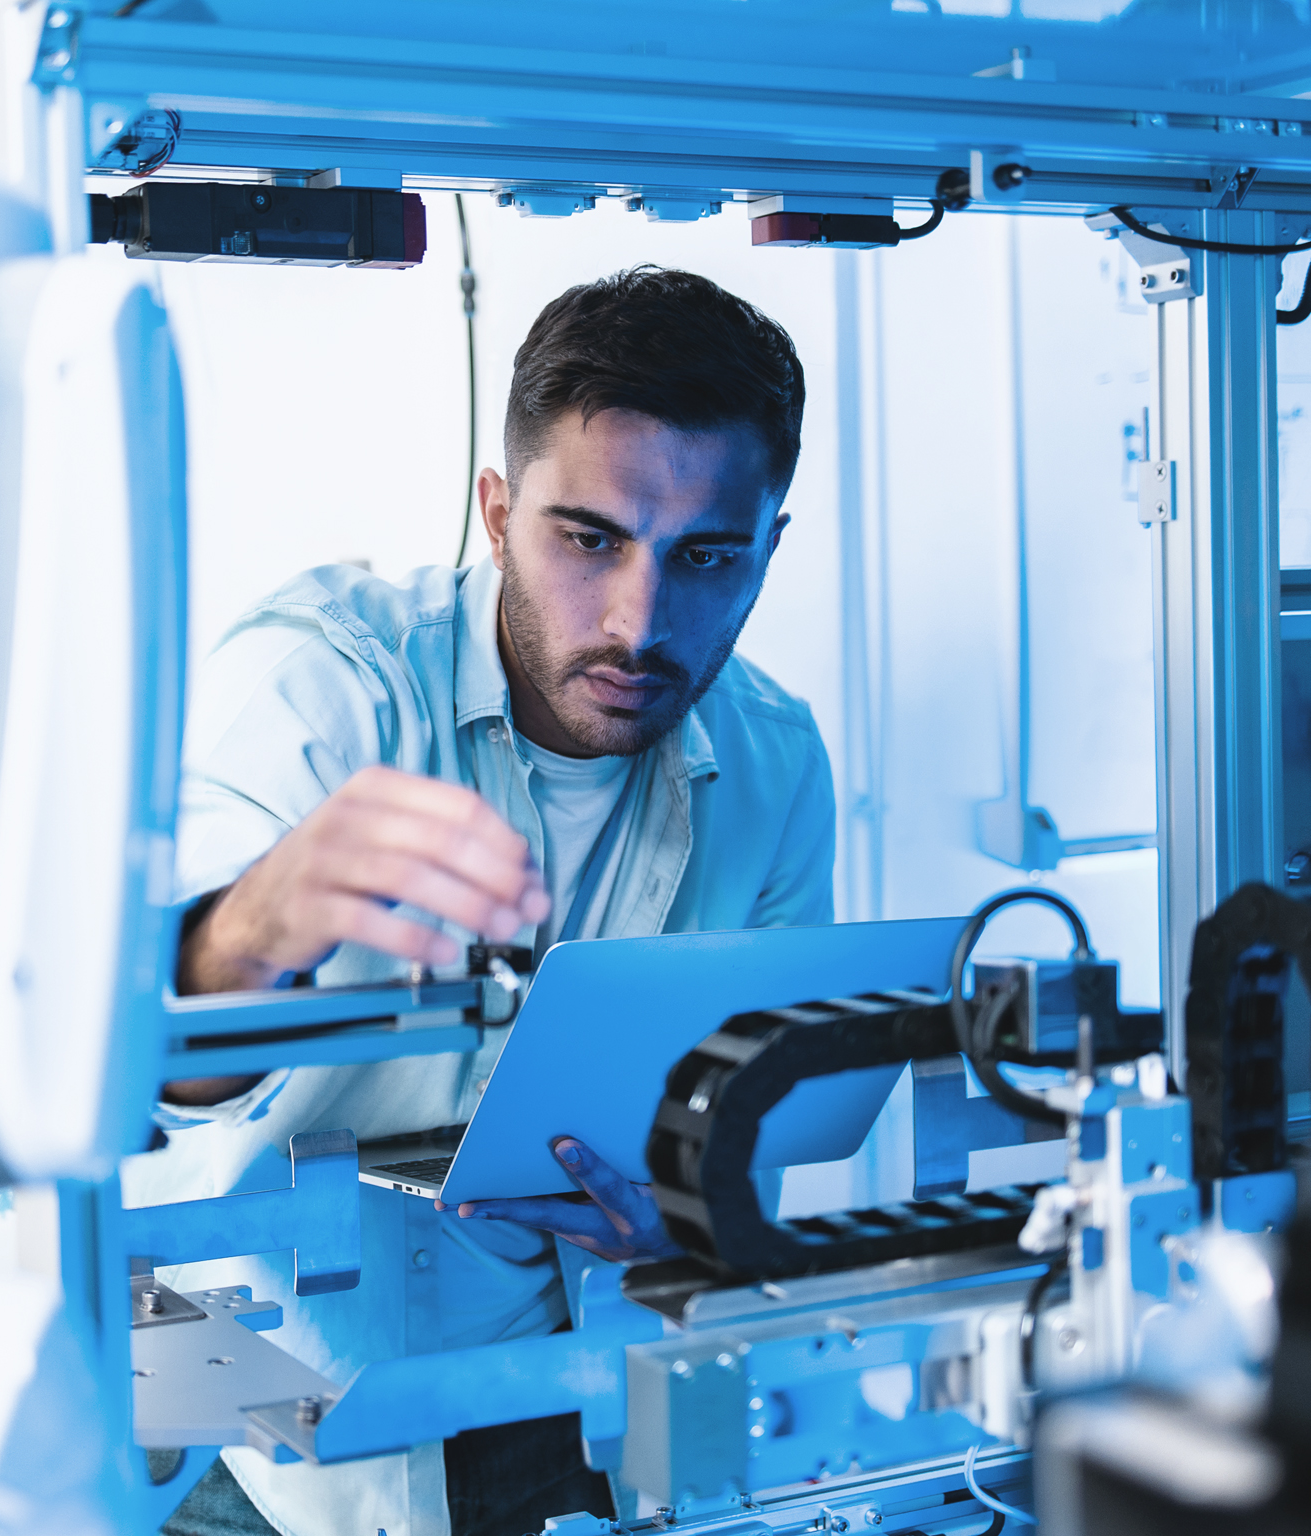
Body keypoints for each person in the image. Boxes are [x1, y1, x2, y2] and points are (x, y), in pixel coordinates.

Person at [135, 266, 835, 1536]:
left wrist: (697, 1202)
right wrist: (242, 934)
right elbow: (132, 1064)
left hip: (550, 1379)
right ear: (498, 511)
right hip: (220, 1366)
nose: (640, 620)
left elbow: (760, 1111)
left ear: (770, 545)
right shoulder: (328, 689)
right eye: (589, 539)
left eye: (708, 556)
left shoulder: (776, 763)